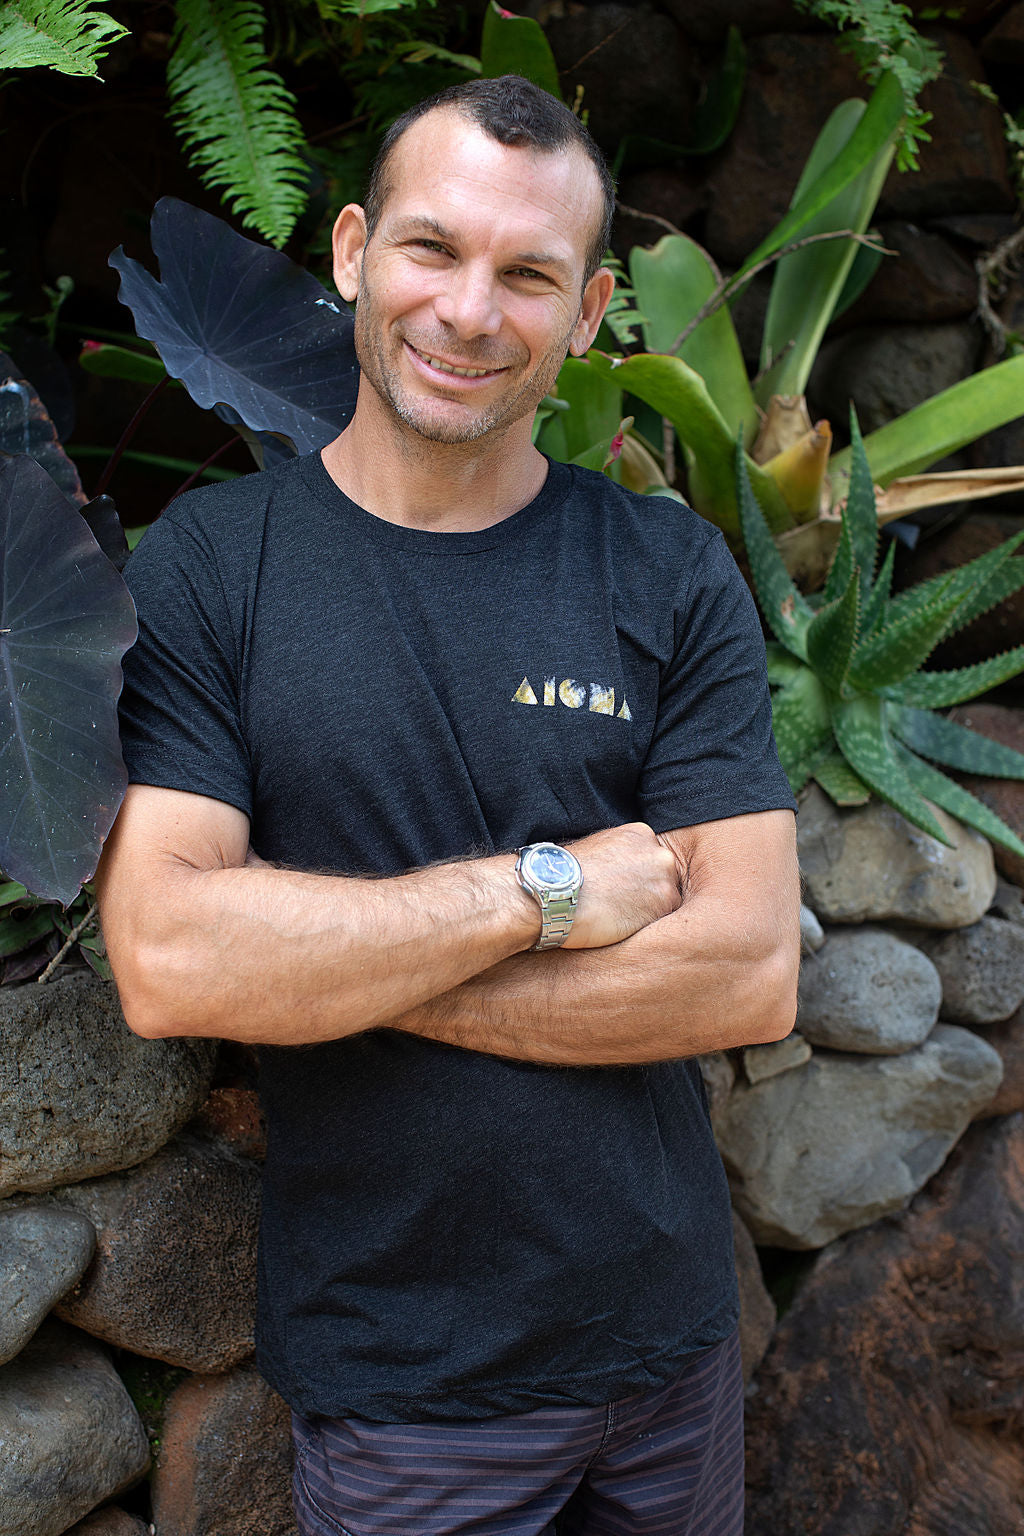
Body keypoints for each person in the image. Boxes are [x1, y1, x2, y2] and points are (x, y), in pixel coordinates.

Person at [97, 74, 800, 1536]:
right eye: (433, 249)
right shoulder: (213, 570)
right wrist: (549, 897)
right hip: (408, 1393)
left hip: (671, 1354)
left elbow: (746, 972)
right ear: (353, 250)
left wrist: (342, 969)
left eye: (529, 273)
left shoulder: (667, 574)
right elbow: (172, 961)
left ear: (591, 310)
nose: (470, 312)